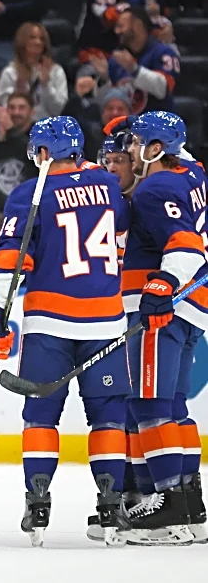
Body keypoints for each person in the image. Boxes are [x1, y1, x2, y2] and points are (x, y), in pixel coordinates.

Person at [0, 116, 131, 547]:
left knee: (41, 415)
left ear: (44, 152)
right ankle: (110, 504)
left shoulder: (30, 194)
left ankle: (38, 500)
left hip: (49, 321)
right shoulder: (108, 184)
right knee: (108, 416)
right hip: (105, 320)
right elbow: (119, 237)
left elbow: (11, 259)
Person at [117, 111, 207, 545]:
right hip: (194, 306)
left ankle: (168, 506)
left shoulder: (156, 187)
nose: (129, 151)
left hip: (165, 308)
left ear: (156, 149)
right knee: (173, 407)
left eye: (136, 143)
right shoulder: (193, 173)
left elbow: (185, 243)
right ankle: (191, 506)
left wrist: (162, 282)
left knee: (149, 405)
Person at [101, 6, 179, 115]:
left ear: (137, 25)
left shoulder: (163, 53)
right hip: (126, 128)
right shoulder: (117, 59)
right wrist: (103, 80)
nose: (116, 31)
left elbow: (163, 88)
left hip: (158, 126)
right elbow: (110, 101)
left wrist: (135, 70)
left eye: (120, 26)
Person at [0, 22, 68, 121]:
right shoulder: (9, 73)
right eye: (32, 38)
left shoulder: (56, 71)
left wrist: (46, 85)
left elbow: (58, 110)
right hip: (19, 130)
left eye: (41, 39)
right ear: (22, 41)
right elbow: (6, 108)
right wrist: (19, 91)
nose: (38, 42)